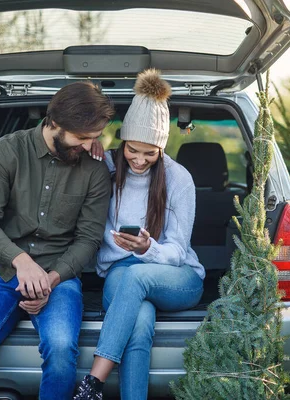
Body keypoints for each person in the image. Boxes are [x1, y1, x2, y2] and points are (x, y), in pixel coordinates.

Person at [0, 81, 115, 400]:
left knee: (62, 352)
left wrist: (49, 280)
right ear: (55, 124)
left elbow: (89, 240)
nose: (92, 145)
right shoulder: (6, 151)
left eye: (94, 136)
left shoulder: (93, 172)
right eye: (83, 137)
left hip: (59, 277)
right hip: (1, 271)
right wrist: (21, 263)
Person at [73, 69, 205, 400]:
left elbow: (177, 251)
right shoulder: (104, 166)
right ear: (123, 141)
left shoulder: (179, 179)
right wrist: (91, 144)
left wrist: (148, 248)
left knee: (137, 279)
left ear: (161, 149)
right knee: (141, 320)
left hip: (178, 277)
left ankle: (93, 383)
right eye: (133, 150)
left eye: (150, 153)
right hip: (119, 274)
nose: (140, 161)